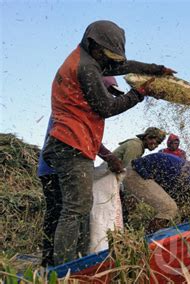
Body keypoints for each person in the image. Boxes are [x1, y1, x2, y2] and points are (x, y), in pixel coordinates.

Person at [41, 20, 176, 265]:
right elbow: (106, 107)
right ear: (92, 44)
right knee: (76, 208)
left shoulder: (92, 58)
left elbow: (123, 65)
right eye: (107, 55)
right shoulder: (85, 67)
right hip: (69, 144)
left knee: (79, 208)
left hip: (75, 142)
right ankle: (63, 269)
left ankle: (74, 260)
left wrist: (156, 69)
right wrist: (138, 94)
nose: (109, 62)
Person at [38, 76, 126, 267]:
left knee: (70, 212)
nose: (107, 97)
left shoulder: (89, 108)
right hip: (56, 168)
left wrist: (108, 156)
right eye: (106, 92)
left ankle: (67, 260)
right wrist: (109, 157)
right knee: (63, 212)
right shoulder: (73, 103)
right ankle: (55, 266)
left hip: (64, 167)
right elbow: (80, 136)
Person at [123, 152, 190, 232]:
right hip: (136, 173)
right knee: (169, 208)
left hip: (144, 172)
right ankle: (148, 240)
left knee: (174, 209)